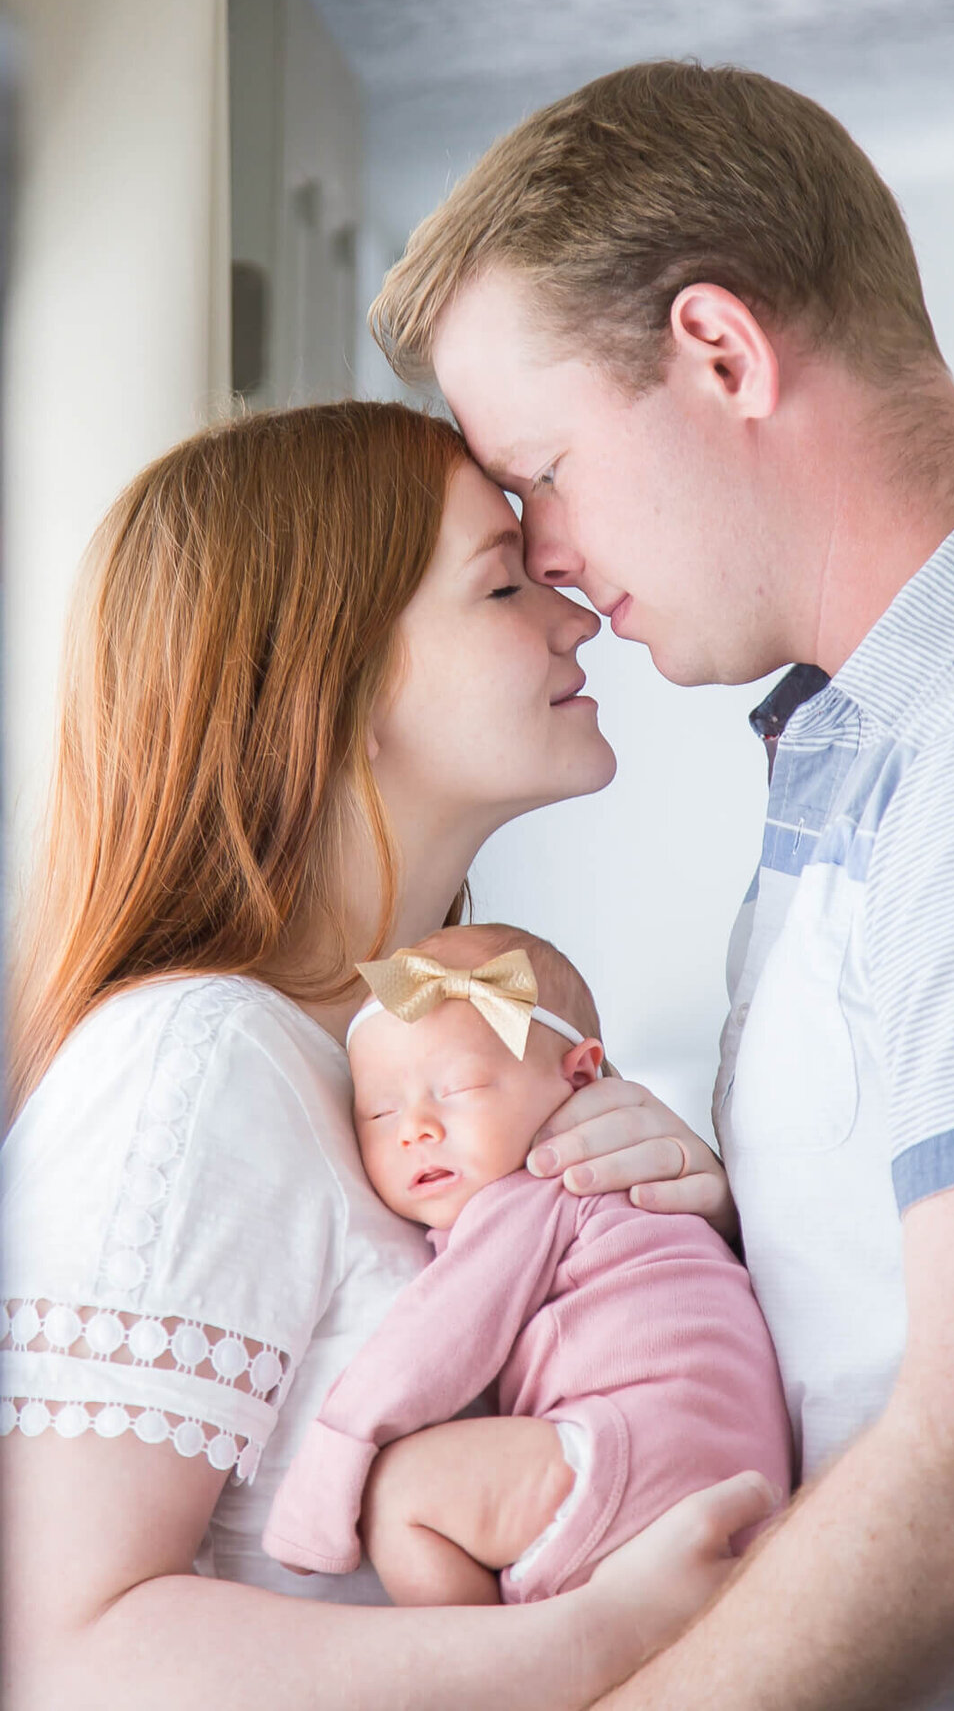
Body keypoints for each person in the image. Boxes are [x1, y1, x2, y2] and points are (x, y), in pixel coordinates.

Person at [369, 61, 954, 1710]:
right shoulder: (886, 732)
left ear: (723, 354)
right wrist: (737, 1224)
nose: (546, 557)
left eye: (541, 469)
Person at [0, 400, 777, 1711]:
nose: (576, 617)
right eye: (501, 583)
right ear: (335, 692)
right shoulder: (192, 1067)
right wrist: (603, 1647)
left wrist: (673, 1232)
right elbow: (55, 1654)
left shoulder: (393, 1061)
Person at [262, 922, 792, 1604]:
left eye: (456, 1089)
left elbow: (432, 1342)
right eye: (380, 1110)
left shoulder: (544, 1187)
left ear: (579, 1077)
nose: (414, 1128)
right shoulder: (635, 1206)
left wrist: (324, 1481)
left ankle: (494, 1676)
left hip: (643, 1447)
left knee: (402, 1496)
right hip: (729, 1466)